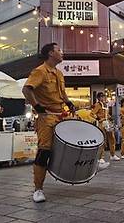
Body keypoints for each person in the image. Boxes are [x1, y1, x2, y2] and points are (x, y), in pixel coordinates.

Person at [22, 43, 77, 203]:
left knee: (70, 145)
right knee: (44, 151)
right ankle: (38, 189)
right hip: (47, 118)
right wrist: (38, 107)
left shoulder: (59, 73)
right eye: (59, 50)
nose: (62, 52)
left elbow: (63, 94)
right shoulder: (40, 71)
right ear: (51, 53)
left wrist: (70, 103)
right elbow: (26, 90)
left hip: (61, 115)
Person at [92, 92, 119, 166]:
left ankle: (112, 155)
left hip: (108, 122)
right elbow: (92, 113)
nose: (103, 98)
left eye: (104, 96)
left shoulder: (106, 104)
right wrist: (98, 119)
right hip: (102, 123)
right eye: (101, 97)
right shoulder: (97, 105)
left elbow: (107, 113)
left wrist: (110, 117)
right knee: (103, 140)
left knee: (112, 138)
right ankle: (101, 157)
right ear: (98, 98)